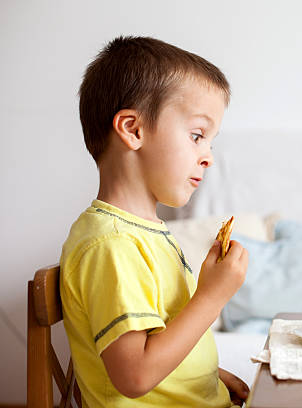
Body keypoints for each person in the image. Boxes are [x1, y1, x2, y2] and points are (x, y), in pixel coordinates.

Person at [59, 36, 249, 407]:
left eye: (210, 141)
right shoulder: (111, 246)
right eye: (197, 135)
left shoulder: (146, 233)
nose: (208, 156)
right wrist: (212, 296)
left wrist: (210, 375)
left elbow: (159, 339)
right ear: (132, 129)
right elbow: (135, 375)